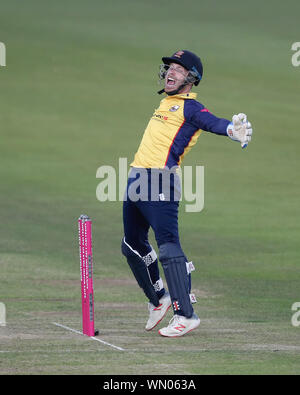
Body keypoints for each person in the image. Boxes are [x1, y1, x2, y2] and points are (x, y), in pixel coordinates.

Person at [121, 50, 253, 337]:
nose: (170, 72)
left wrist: (233, 129)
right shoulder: (166, 103)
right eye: (169, 67)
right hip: (136, 177)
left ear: (191, 78)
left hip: (161, 182)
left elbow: (213, 122)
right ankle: (159, 300)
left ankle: (186, 315)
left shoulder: (190, 108)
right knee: (131, 243)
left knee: (168, 247)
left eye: (178, 70)